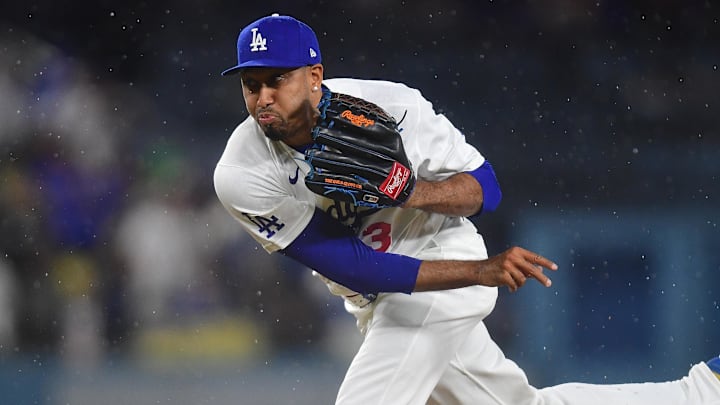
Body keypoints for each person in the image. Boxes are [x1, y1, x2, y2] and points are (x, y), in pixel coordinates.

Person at [213, 13, 720, 405]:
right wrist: (480, 272)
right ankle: (705, 392)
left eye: (276, 79)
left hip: (441, 256)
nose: (263, 97)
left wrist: (405, 191)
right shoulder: (241, 172)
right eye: (251, 84)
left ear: (315, 75)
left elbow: (485, 189)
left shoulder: (390, 106)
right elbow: (352, 265)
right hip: (383, 291)